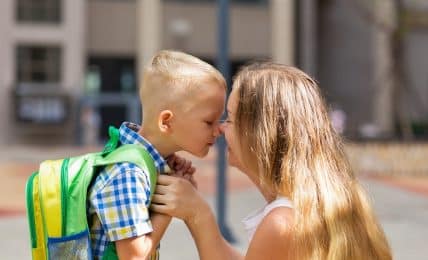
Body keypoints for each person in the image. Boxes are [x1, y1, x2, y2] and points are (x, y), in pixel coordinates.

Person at [151, 62, 392, 259]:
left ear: (260, 134)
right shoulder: (319, 204)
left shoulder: (282, 223)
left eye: (232, 119)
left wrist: (198, 215)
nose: (222, 129)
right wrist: (198, 213)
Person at [87, 50, 226, 259]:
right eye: (209, 122)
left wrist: (172, 180)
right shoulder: (128, 173)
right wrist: (168, 206)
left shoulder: (145, 166)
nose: (219, 130)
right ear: (166, 122)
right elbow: (134, 257)